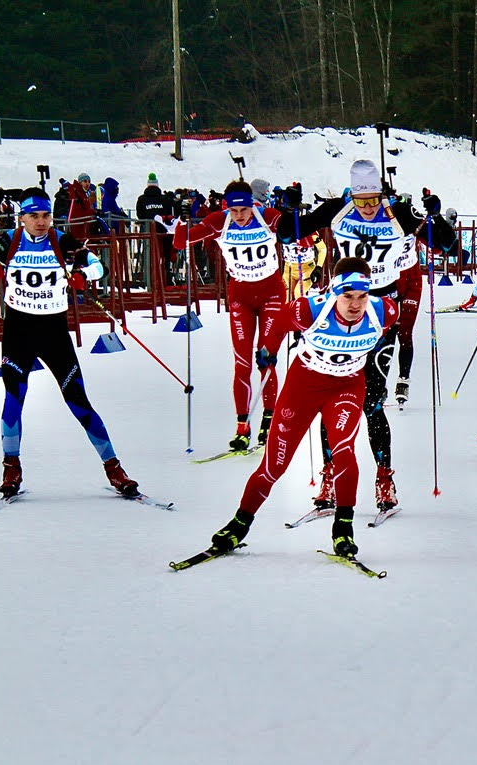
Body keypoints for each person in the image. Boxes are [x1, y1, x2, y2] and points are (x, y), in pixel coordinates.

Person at [206, 257, 397, 558]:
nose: (355, 304)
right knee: (275, 465)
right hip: (303, 387)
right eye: (348, 296)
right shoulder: (311, 309)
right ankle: (239, 524)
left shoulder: (384, 311)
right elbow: (280, 320)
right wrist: (267, 349)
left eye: (361, 296)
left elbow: (384, 331)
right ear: (335, 291)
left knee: (344, 451)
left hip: (346, 387)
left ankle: (343, 529)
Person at [276, 160, 422, 513]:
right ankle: (330, 475)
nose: (369, 208)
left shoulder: (396, 211)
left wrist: (429, 217)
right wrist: (291, 214)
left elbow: (445, 243)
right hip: (340, 313)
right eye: (362, 201)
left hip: (377, 315)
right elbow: (285, 233)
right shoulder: (337, 209)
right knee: (332, 399)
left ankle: (384, 478)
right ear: (352, 196)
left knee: (371, 402)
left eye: (374, 200)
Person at [0, 188, 139, 499]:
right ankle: (11, 466)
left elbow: (100, 266)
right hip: (19, 331)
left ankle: (114, 468)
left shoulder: (61, 240)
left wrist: (83, 274)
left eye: (45, 215)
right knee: (14, 398)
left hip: (54, 332)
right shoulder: (10, 241)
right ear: (22, 218)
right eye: (34, 216)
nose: (41, 222)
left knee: (78, 400)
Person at [171, 180, 288, 450]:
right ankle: (242, 426)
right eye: (234, 211)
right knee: (242, 363)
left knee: (265, 358)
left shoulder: (266, 217)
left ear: (252, 205)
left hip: (271, 292)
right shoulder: (218, 221)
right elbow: (180, 242)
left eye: (244, 210)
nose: (239, 216)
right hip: (240, 296)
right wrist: (181, 219)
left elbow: (294, 231)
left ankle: (268, 420)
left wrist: (292, 214)